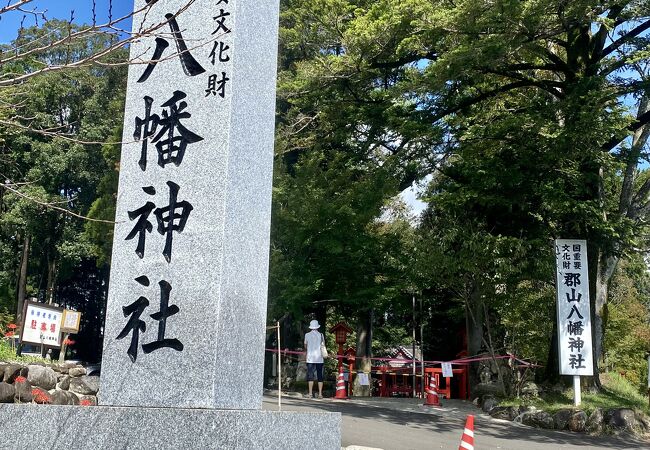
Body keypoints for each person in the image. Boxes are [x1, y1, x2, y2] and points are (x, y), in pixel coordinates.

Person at [304, 319, 326, 398]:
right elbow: (323, 346)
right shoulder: (321, 335)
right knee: (320, 375)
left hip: (310, 358)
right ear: (317, 327)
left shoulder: (307, 335)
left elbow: (305, 346)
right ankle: (320, 394)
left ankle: (310, 393)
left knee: (310, 375)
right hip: (319, 358)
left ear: (311, 327)